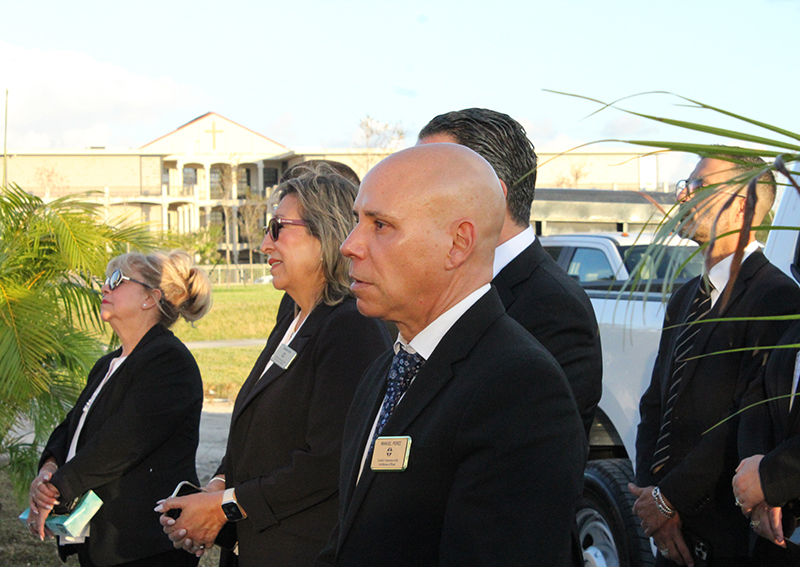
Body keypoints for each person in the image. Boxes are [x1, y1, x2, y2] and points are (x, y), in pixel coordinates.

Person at [316, 143, 586, 566]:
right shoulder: (385, 371)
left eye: (380, 225)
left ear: (458, 243)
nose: (350, 245)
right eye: (357, 222)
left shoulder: (519, 389)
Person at [157, 165, 391, 567]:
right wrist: (217, 486)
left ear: (326, 233)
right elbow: (260, 429)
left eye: (277, 227)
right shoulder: (294, 314)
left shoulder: (352, 326)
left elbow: (328, 459)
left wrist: (224, 507)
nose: (265, 242)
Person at [630, 155, 800, 566]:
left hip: (726, 533)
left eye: (699, 186)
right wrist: (650, 498)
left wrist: (670, 498)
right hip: (669, 529)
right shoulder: (685, 296)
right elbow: (656, 405)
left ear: (742, 205)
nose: (683, 196)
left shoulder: (776, 298)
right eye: (683, 185)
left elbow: (743, 420)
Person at [418, 108, 602, 438]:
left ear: (492, 196)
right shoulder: (436, 286)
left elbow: (535, 449)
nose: (413, 198)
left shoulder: (554, 308)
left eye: (430, 183)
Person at [27, 250, 212, 567]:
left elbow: (122, 442)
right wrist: (49, 468)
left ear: (149, 299)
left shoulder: (169, 361)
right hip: (104, 541)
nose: (105, 288)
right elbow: (72, 427)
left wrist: (56, 490)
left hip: (143, 546)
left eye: (117, 280)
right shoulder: (107, 364)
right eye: (105, 280)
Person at [733, 317, 800, 565]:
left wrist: (768, 477)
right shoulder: (793, 328)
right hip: (778, 541)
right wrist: (757, 484)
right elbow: (758, 398)